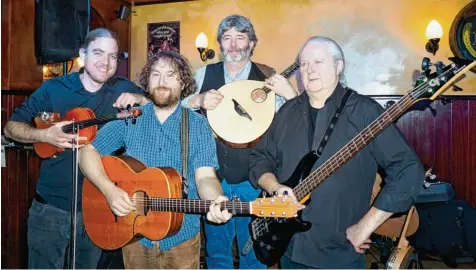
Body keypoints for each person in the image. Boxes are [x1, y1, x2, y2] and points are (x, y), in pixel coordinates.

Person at [249, 36, 424, 269]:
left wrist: (366, 226)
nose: (309, 70)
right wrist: (275, 187)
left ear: (338, 66)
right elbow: (260, 159)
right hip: (289, 247)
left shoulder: (365, 111)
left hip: (339, 253)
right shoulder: (287, 112)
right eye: (303, 64)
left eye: (318, 62)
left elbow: (408, 170)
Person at [3, 28, 149, 269]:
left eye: (113, 56)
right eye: (98, 53)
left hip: (98, 207)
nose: (106, 62)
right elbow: (11, 127)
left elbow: (163, 105)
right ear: (83, 54)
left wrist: (143, 100)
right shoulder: (55, 88)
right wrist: (44, 134)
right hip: (50, 208)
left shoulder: (123, 88)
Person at [79, 50, 232, 269]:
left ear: (183, 83)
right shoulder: (130, 119)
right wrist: (109, 190)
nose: (162, 82)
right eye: (155, 74)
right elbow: (87, 152)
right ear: (147, 81)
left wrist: (216, 199)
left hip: (182, 239)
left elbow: (205, 177)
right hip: (134, 235)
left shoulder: (198, 125)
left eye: (170, 75)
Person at [181, 14, 299, 269]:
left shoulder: (268, 76)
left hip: (255, 176)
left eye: (240, 38)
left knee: (253, 250)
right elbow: (175, 111)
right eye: (227, 38)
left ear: (252, 43)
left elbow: (297, 119)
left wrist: (291, 94)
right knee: (217, 250)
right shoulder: (203, 74)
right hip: (212, 175)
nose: (233, 45)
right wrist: (196, 101)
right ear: (220, 45)